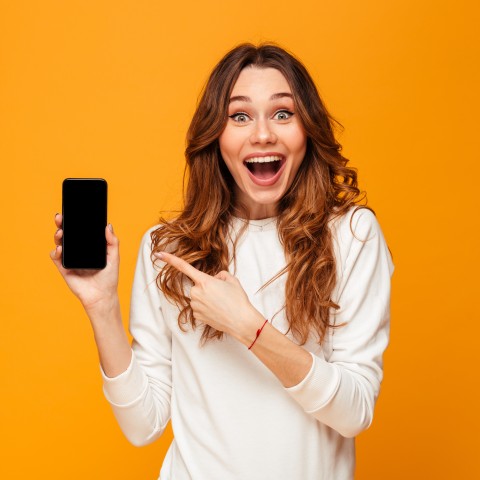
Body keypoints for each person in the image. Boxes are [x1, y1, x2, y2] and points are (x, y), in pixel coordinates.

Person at [51, 43, 393, 480]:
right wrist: (101, 307)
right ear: (217, 135)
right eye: (240, 116)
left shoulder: (351, 235)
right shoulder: (170, 250)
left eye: (283, 113)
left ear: (307, 130)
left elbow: (355, 412)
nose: (263, 134)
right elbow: (143, 425)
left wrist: (249, 328)